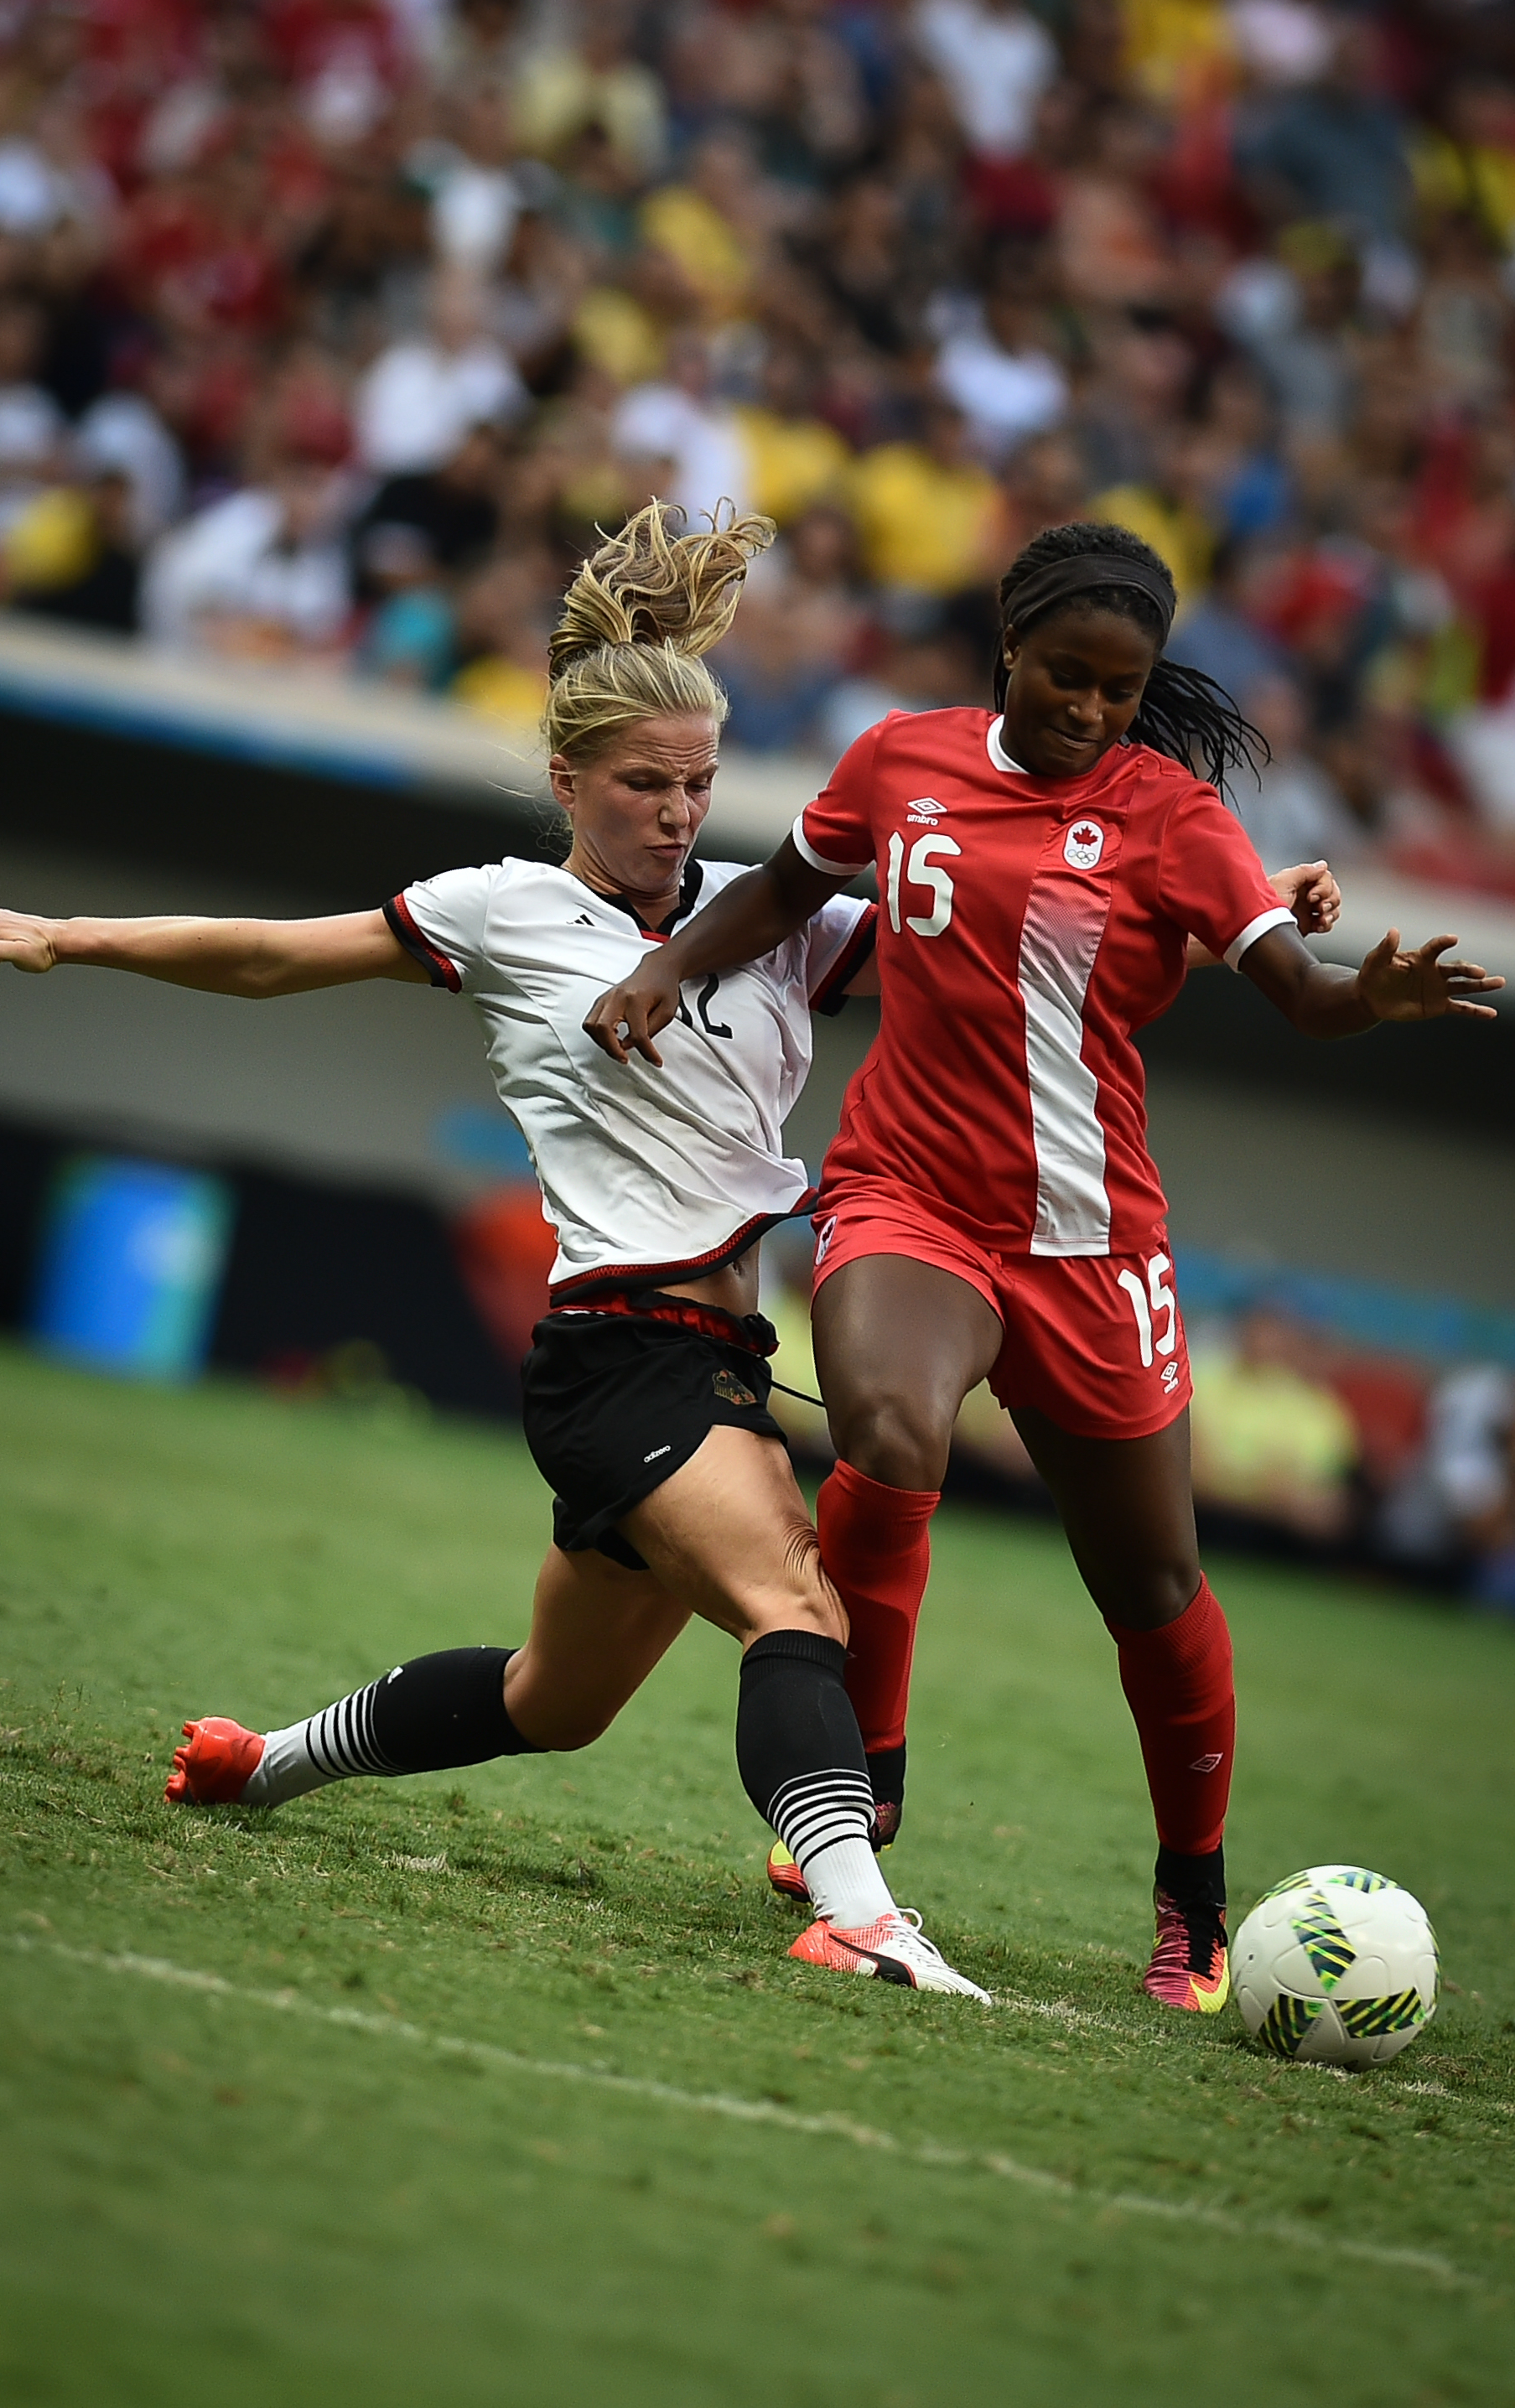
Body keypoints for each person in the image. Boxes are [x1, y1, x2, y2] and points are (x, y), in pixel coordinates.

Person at [0, 500, 983, 2000]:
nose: (677, 812)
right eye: (643, 784)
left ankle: (259, 1764)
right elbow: (273, 954)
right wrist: (76, 934)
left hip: (715, 1356)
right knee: (795, 1604)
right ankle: (858, 1912)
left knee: (554, 1704)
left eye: (696, 783)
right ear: (568, 780)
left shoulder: (773, 919)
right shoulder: (502, 909)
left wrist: (1244, 915)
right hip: (621, 1356)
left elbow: (1007, 936)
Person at [583, 519, 1503, 2015]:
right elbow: (784, 892)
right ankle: (863, 1786)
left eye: (1118, 690)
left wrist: (1367, 997)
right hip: (908, 1194)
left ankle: (1192, 1899)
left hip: (1092, 1246)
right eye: (1065, 675)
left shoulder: (1173, 818)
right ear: (1008, 645)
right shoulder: (900, 760)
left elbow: (1297, 993)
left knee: (1149, 1582)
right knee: (887, 1433)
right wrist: (665, 965)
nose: (1088, 709)